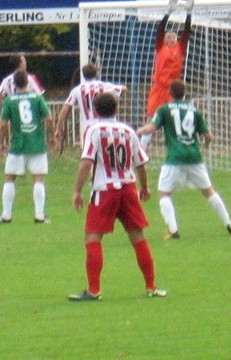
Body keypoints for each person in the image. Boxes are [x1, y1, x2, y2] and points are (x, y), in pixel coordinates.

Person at [68, 92, 166, 301]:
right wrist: (145, 188)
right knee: (138, 237)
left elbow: (86, 162)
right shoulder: (127, 130)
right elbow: (140, 163)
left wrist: (77, 190)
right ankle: (151, 286)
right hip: (129, 188)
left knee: (92, 237)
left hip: (105, 190)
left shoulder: (94, 130)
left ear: (95, 110)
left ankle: (94, 290)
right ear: (117, 109)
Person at [137, 79, 231, 239]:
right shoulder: (194, 110)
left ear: (170, 93)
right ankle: (229, 223)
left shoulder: (164, 109)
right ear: (184, 93)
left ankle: (173, 229)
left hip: (175, 158)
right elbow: (208, 136)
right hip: (194, 157)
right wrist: (205, 145)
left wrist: (139, 131)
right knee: (209, 191)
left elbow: (151, 127)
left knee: (164, 194)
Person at [0, 71, 58, 224]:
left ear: (14, 84)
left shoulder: (9, 100)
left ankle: (6, 215)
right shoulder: (37, 98)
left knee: (9, 178)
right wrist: (53, 136)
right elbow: (48, 119)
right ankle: (40, 216)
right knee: (38, 179)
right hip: (37, 145)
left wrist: (1, 142)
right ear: (28, 83)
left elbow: (3, 124)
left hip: (17, 146)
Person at [140, 0, 193, 149]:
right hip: (158, 89)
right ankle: (141, 150)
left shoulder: (180, 49)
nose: (170, 38)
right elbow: (160, 29)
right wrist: (168, 12)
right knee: (151, 119)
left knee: (174, 119)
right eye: (168, 36)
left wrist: (188, 13)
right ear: (164, 39)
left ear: (177, 39)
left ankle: (177, 146)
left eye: (173, 36)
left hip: (173, 90)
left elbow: (187, 32)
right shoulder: (160, 48)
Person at [55, 63, 127, 146]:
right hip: (106, 126)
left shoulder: (77, 90)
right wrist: (113, 95)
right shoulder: (104, 86)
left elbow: (65, 109)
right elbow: (124, 89)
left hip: (89, 127)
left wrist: (58, 127)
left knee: (89, 155)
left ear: (83, 75)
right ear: (96, 73)